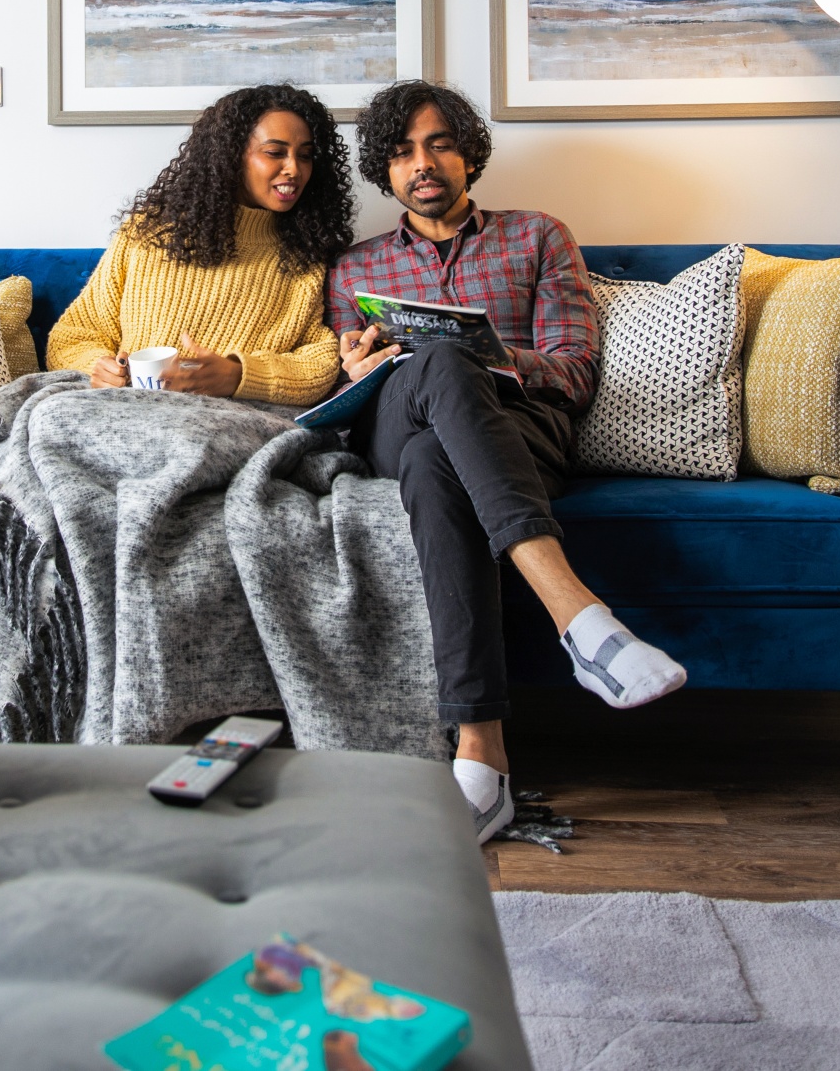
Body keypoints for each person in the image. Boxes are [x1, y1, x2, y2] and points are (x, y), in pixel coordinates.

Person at [328, 80, 686, 843]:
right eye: (403, 152)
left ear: (468, 154)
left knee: (437, 450)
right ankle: (580, 619)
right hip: (393, 419)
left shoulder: (538, 236)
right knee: (433, 378)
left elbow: (575, 372)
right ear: (384, 170)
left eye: (439, 144)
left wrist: (488, 354)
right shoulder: (353, 270)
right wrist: (357, 371)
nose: (423, 163)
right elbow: (340, 403)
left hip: (519, 431)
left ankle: (481, 763)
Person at [47, 83, 353, 408]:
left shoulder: (304, 254)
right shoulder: (148, 232)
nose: (294, 169)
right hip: (125, 407)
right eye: (275, 153)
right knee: (47, 412)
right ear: (232, 156)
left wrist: (239, 375)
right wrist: (98, 368)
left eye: (305, 156)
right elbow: (72, 335)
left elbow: (319, 362)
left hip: (225, 419)